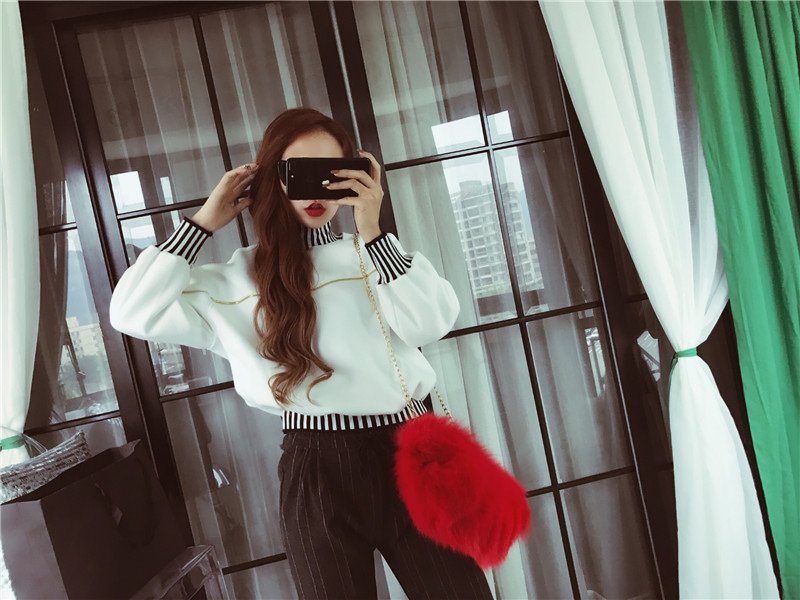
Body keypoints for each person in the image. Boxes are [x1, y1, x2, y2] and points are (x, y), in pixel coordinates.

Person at [109, 108, 493, 599]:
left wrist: (373, 231)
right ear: (272, 177)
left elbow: (430, 323)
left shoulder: (373, 255)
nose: (317, 191)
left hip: (409, 452)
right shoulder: (234, 281)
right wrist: (202, 223)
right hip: (316, 467)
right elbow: (131, 312)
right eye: (299, 173)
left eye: (331, 173)